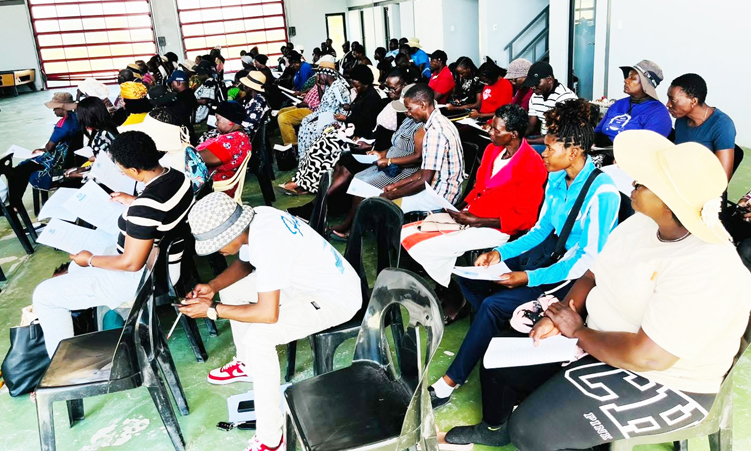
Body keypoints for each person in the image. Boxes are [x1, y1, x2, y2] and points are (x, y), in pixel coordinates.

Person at [445, 130, 751, 450]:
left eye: (645, 181)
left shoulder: (706, 265)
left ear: (669, 200)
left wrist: (578, 332)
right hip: (600, 339)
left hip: (666, 381)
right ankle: (494, 428)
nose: (634, 182)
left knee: (532, 430)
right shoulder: (642, 224)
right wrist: (559, 315)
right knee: (497, 356)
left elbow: (647, 357)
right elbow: (592, 274)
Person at [429, 99, 621, 409]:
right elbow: (540, 230)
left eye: (550, 148)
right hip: (550, 255)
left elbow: (587, 260)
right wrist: (499, 252)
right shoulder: (557, 177)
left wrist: (528, 277)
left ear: (573, 152)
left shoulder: (603, 192)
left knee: (492, 305)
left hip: (574, 277)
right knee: (470, 278)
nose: (543, 153)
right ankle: (494, 334)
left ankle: (451, 381)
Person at [179, 192, 361, 451]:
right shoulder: (257, 218)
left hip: (335, 297)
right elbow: (245, 264)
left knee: (259, 338)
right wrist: (212, 287)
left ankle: (271, 439)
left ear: (233, 232)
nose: (217, 251)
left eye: (217, 245)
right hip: (305, 282)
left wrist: (212, 310)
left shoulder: (268, 243)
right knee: (231, 292)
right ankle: (249, 365)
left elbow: (267, 314)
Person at [33, 131, 194, 357]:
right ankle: (110, 320)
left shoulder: (146, 207)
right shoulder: (177, 177)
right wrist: (133, 201)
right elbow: (161, 212)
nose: (121, 173)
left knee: (44, 295)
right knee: (75, 269)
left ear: (135, 171)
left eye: (122, 170)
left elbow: (131, 263)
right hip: (164, 261)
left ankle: (63, 363)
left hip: (145, 276)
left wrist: (90, 259)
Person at [402, 104, 547, 288]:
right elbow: (478, 188)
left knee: (426, 246)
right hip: (472, 215)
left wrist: (478, 221)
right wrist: (458, 208)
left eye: (496, 130)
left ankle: (450, 290)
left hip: (496, 228)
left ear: (513, 134)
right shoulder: (493, 150)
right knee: (407, 233)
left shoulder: (531, 165)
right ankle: (440, 281)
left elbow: (526, 219)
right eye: (491, 127)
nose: (490, 132)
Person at [328, 84, 425, 239]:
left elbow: (418, 157)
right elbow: (395, 146)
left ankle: (352, 227)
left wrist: (390, 160)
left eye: (408, 109)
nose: (406, 112)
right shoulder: (408, 120)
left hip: (404, 169)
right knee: (358, 177)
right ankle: (354, 221)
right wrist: (380, 153)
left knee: (365, 185)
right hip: (390, 163)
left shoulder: (422, 128)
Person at [381, 84, 465, 205]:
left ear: (423, 105)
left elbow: (424, 181)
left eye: (410, 109)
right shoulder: (441, 121)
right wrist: (396, 185)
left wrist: (390, 196)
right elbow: (423, 172)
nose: (408, 113)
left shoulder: (435, 132)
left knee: (386, 205)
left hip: (441, 195)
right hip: (436, 188)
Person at [12, 93, 82, 201]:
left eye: (55, 108)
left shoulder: (62, 125)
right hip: (70, 157)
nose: (53, 110)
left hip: (57, 161)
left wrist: (43, 149)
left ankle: (15, 203)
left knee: (20, 169)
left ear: (62, 108)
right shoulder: (76, 118)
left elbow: (49, 147)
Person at [668, 73, 737, 181]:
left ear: (693, 101)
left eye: (672, 100)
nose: (668, 104)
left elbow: (722, 180)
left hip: (702, 186)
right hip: (679, 179)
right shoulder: (681, 120)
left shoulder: (722, 125)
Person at [595, 60, 671, 146]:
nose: (626, 80)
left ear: (645, 84)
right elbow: (597, 132)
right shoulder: (618, 104)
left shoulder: (658, 113)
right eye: (627, 77)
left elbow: (648, 146)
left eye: (632, 78)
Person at [196, 101, 251, 198]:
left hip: (215, 189)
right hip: (223, 183)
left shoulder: (231, 141)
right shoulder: (240, 136)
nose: (216, 123)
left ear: (230, 121)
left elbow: (197, 158)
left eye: (218, 119)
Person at [296, 61, 351, 158]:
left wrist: (338, 122)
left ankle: (313, 156)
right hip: (324, 114)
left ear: (326, 74)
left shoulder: (338, 87)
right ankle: (305, 156)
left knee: (310, 128)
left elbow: (345, 108)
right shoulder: (330, 86)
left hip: (334, 118)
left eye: (320, 74)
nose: (318, 77)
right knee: (305, 122)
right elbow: (324, 102)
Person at [524, 61, 578, 148]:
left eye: (537, 83)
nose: (533, 87)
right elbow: (531, 126)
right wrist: (516, 137)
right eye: (531, 84)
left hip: (562, 144)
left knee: (525, 151)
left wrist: (526, 141)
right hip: (545, 139)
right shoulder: (535, 96)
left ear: (549, 80)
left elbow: (559, 136)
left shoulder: (565, 98)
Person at [276, 75, 326, 152]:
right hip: (305, 104)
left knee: (283, 118)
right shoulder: (319, 83)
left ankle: (293, 147)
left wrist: (308, 104)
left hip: (311, 110)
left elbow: (322, 103)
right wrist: (304, 93)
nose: (318, 76)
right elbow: (313, 89)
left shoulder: (326, 86)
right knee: (281, 111)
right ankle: (290, 137)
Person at [335, 65, 383, 140]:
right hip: (353, 129)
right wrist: (350, 107)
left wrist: (345, 119)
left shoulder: (372, 98)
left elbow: (365, 121)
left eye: (357, 86)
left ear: (365, 84)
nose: (355, 89)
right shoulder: (363, 93)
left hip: (362, 135)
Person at [237, 72, 269, 139]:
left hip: (245, 136)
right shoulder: (256, 99)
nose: (243, 85)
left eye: (245, 84)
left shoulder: (257, 103)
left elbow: (248, 126)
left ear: (250, 87)